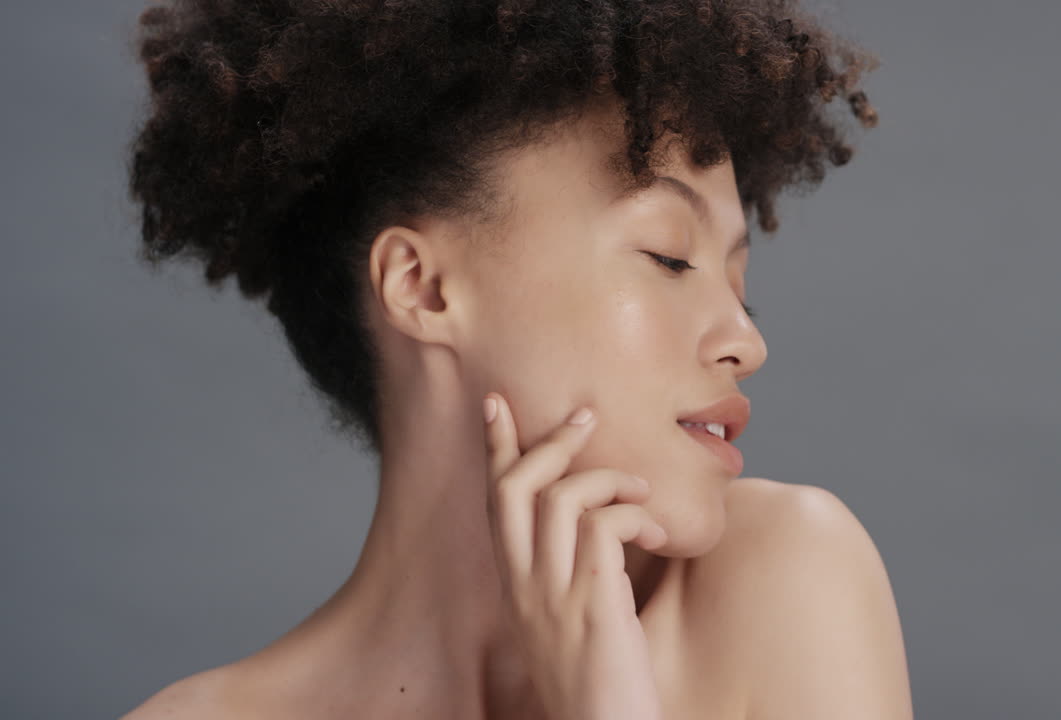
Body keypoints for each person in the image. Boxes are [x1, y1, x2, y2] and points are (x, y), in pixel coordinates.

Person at [121, 0, 910, 717]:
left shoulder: (785, 578)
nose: (746, 342)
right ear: (423, 287)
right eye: (669, 257)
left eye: (738, 287)